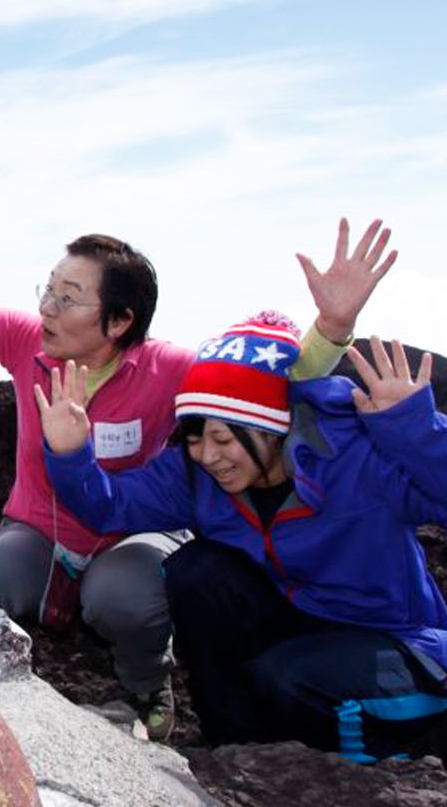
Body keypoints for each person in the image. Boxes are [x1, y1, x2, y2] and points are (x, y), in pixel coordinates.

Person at [0, 158, 394, 737]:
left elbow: (271, 383)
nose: (47, 308)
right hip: (42, 528)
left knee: (121, 597)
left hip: (132, 532)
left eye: (69, 298)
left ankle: (144, 688)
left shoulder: (169, 369)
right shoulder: (27, 342)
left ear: (119, 321)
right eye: (49, 290)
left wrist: (332, 328)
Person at [38, 320, 447, 760]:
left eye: (222, 438)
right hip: (296, 623)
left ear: (269, 428)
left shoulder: (353, 461)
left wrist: (412, 429)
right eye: (195, 439)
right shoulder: (199, 477)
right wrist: (70, 453)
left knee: (289, 676)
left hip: (396, 641)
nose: (208, 456)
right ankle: (235, 750)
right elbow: (109, 506)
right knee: (196, 572)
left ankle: (373, 763)